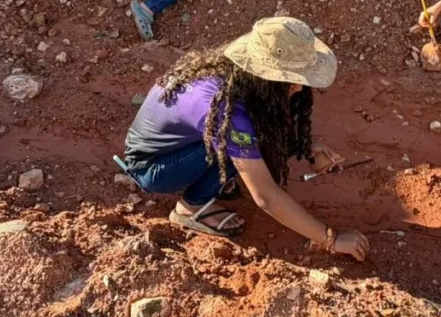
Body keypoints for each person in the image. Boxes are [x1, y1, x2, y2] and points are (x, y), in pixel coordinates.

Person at [121, 17, 370, 261]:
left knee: (246, 140)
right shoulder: (222, 109)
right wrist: (331, 240)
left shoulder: (233, 75)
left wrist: (305, 149)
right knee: (240, 147)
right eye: (293, 79)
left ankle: (213, 179)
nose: (299, 88)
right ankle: (190, 208)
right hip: (152, 168)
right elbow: (265, 196)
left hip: (176, 147)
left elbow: (263, 124)